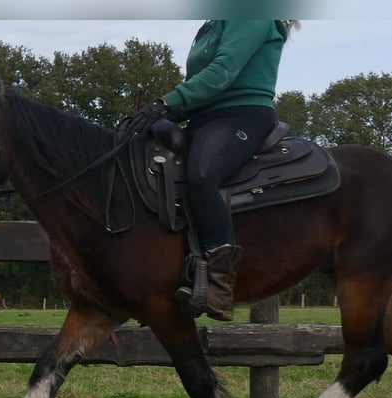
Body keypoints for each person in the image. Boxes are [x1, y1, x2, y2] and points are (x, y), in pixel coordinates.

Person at [120, 20, 298, 321]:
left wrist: (165, 102)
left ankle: (219, 282)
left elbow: (221, 73)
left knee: (202, 174)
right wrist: (157, 114)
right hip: (205, 120)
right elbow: (201, 85)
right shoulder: (213, 24)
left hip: (243, 115)